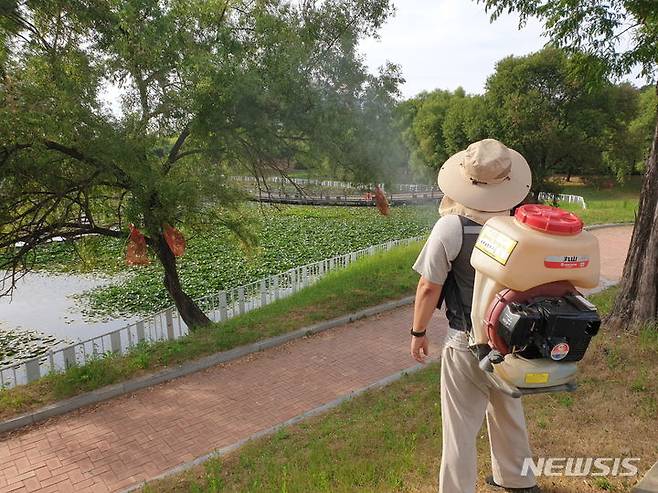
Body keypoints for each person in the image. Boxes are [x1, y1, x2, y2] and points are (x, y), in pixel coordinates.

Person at [409, 139, 540, 493]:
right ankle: (518, 480)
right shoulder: (520, 226)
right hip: (512, 337)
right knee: (509, 413)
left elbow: (428, 287)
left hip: (465, 341)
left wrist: (418, 332)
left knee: (460, 429)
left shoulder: (452, 228)